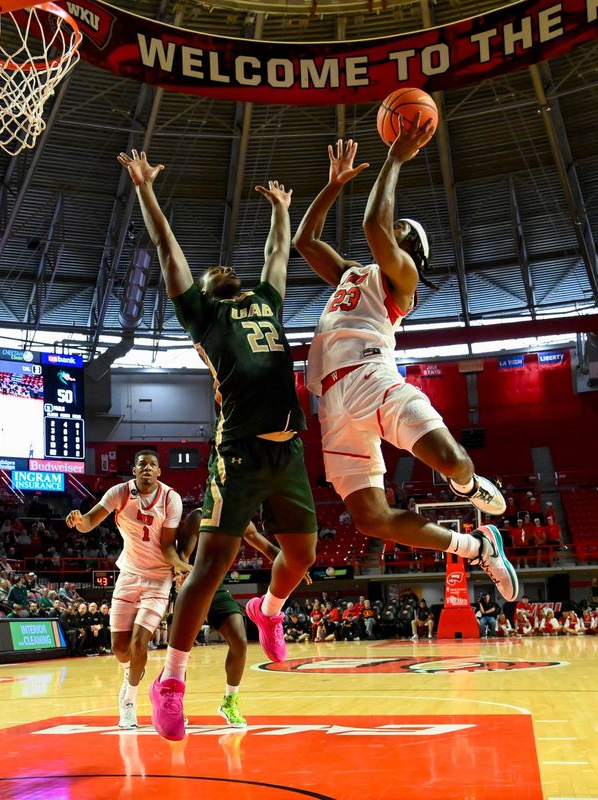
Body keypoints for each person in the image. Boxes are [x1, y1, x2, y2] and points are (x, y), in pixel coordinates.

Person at [118, 150, 318, 742]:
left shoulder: (265, 301)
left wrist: (283, 210)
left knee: (303, 557)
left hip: (289, 452)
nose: (218, 269)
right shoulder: (202, 314)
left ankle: (270, 611)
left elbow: (277, 256)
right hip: (239, 453)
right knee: (209, 569)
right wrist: (148, 192)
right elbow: (167, 249)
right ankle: (172, 683)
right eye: (208, 272)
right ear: (202, 293)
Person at [293, 134, 516, 602]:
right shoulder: (355, 272)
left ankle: (468, 484)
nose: (394, 229)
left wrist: (395, 156)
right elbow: (304, 240)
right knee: (370, 518)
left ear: (411, 249)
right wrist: (333, 185)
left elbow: (375, 222)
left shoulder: (404, 277)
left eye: (403, 231)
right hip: (332, 403)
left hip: (373, 378)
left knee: (453, 462)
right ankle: (477, 548)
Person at [65, 451, 186, 730]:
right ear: (134, 470)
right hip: (128, 574)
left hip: (158, 578)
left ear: (159, 472)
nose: (147, 467)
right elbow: (89, 522)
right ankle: (135, 676)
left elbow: (169, 546)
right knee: (120, 648)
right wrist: (78, 520)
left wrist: (180, 566)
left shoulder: (171, 499)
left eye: (152, 464)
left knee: (139, 642)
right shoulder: (119, 492)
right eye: (141, 463)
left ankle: (129, 701)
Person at [174, 510, 309, 728]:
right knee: (183, 648)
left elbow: (264, 545)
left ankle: (230, 701)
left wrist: (293, 566)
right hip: (191, 585)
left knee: (239, 640)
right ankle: (175, 702)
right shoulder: (198, 517)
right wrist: (181, 576)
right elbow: (182, 555)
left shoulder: (238, 518)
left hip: (217, 587)